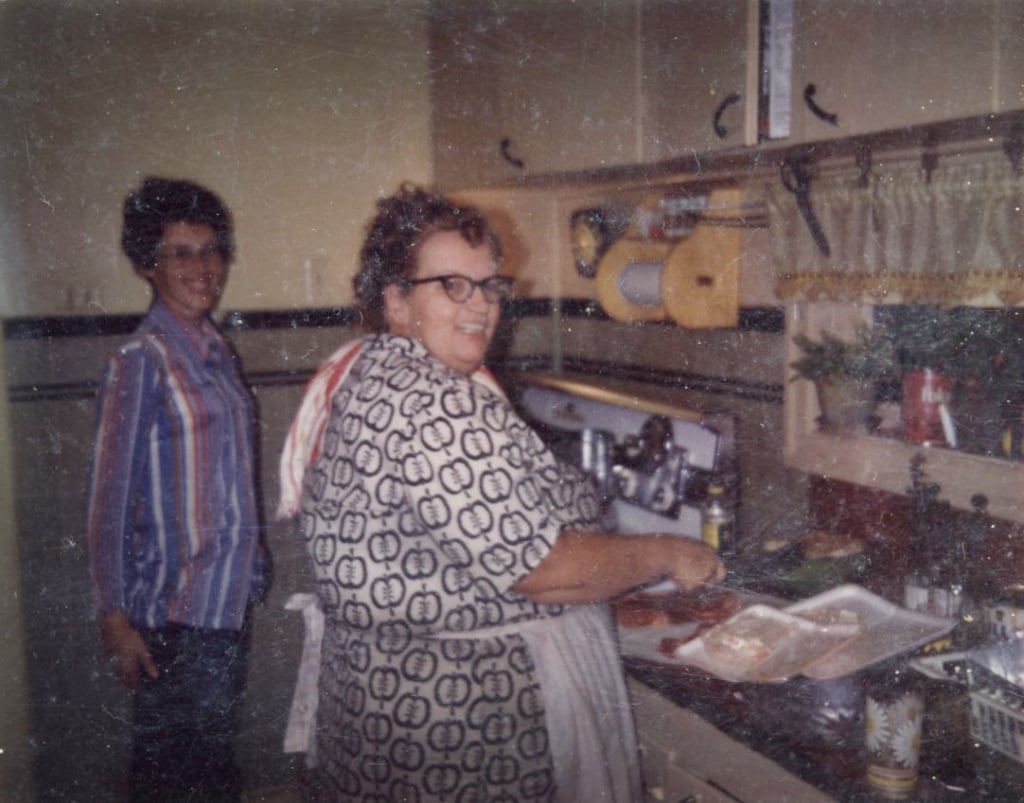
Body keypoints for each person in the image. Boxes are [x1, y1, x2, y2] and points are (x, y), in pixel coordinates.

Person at [279, 183, 724, 803]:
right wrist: (667, 553)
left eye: (490, 285)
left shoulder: (369, 368)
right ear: (398, 301)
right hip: (457, 734)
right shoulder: (437, 401)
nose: (481, 305)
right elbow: (541, 566)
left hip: (379, 715)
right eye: (452, 285)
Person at [87, 177, 265, 802]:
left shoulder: (214, 350)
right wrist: (113, 617)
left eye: (212, 249)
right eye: (181, 252)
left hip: (224, 607)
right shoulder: (142, 360)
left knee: (208, 768)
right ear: (146, 264)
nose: (204, 266)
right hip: (173, 617)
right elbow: (108, 502)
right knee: (176, 777)